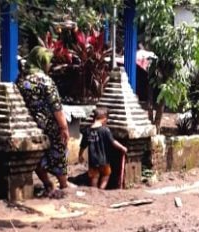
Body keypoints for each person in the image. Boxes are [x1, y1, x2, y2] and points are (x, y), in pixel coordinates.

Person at [16, 46, 70, 198]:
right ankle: (64, 185)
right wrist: (64, 127)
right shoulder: (46, 81)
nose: (50, 65)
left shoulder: (21, 79)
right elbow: (56, 107)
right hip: (49, 126)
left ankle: (47, 183)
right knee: (59, 153)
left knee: (36, 156)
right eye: (48, 62)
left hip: (29, 125)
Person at [79, 108, 128, 189]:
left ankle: (94, 192)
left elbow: (83, 145)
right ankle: (101, 190)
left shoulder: (88, 131)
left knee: (94, 177)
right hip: (104, 160)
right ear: (104, 118)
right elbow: (113, 142)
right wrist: (122, 148)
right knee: (106, 175)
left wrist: (80, 155)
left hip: (93, 161)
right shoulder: (105, 130)